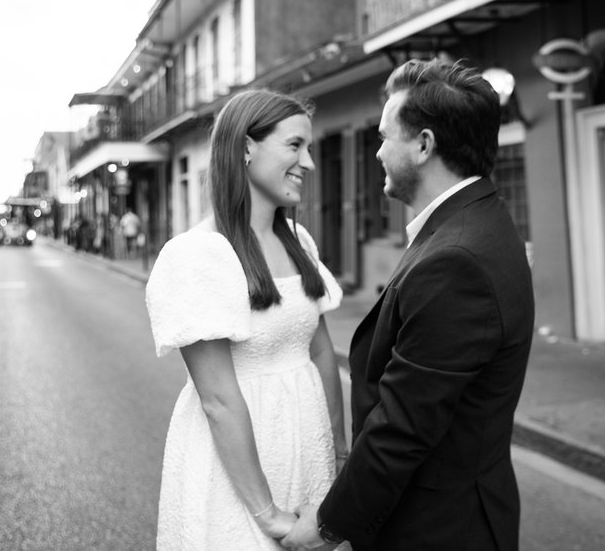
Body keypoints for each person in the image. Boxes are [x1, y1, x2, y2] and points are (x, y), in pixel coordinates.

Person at [283, 58, 535, 550]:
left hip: (439, 530)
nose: (376, 152)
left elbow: (404, 425)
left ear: (423, 145)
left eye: (384, 137)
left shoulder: (456, 259)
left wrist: (329, 525)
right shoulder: (474, 222)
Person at [145, 89, 348, 550]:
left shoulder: (301, 241)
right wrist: (268, 514)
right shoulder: (196, 255)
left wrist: (338, 453)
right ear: (245, 147)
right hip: (239, 473)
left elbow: (319, 350)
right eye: (295, 145)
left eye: (309, 148)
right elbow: (217, 398)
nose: (309, 162)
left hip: (308, 448)